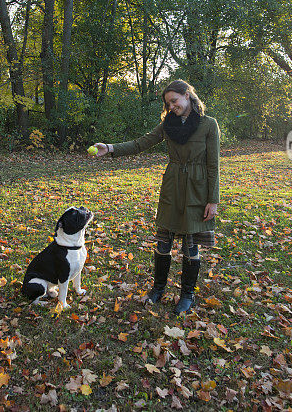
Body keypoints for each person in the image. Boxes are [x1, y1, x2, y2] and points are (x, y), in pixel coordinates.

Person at [91, 80, 220, 315]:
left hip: (198, 190)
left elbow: (213, 165)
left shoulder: (209, 125)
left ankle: (187, 295)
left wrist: (213, 200)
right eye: (168, 103)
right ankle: (158, 289)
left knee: (191, 245)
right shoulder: (167, 125)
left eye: (175, 101)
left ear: (188, 96)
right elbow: (141, 143)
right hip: (172, 186)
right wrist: (110, 148)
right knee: (164, 241)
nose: (172, 106)